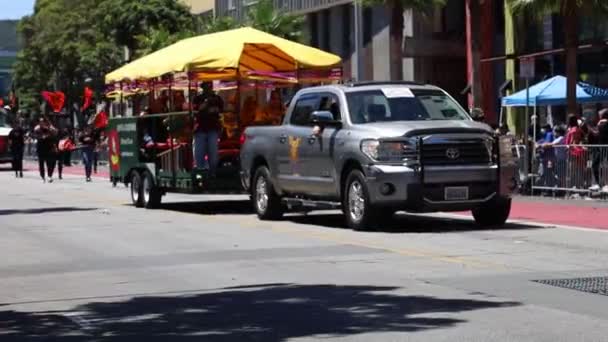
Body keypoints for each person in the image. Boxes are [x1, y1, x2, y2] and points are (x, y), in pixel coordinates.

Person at [193, 82, 224, 176]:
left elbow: (221, 110)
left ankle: (212, 173)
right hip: (200, 129)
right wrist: (206, 103)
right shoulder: (198, 98)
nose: (208, 89)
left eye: (209, 87)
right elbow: (195, 110)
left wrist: (214, 109)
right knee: (199, 153)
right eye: (206, 87)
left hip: (213, 129)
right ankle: (201, 173)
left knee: (213, 154)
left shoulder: (217, 98)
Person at [34, 117, 58, 183]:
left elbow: (56, 133)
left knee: (50, 163)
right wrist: (42, 137)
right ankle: (43, 176)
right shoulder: (37, 129)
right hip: (41, 149)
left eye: (43, 121)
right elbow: (36, 136)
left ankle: (49, 176)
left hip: (49, 148)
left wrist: (50, 127)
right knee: (41, 164)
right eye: (40, 122)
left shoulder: (50, 129)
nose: (42, 123)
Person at [590, 109, 608, 192]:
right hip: (601, 148)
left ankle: (601, 184)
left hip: (603, 147)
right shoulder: (601, 124)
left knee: (596, 165)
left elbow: (597, 133)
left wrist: (590, 129)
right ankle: (599, 184)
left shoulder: (602, 124)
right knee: (596, 165)